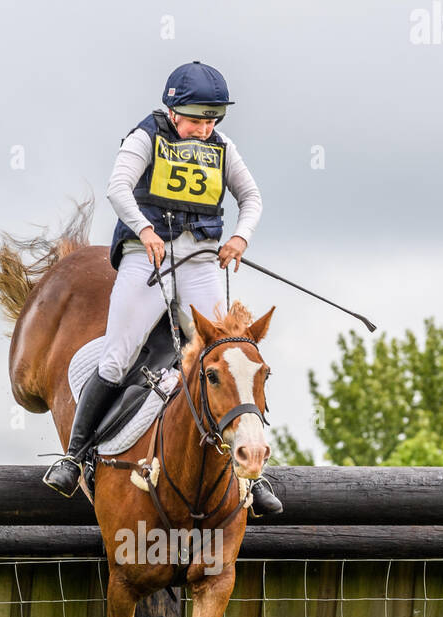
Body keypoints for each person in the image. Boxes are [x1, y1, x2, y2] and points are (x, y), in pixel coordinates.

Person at [42, 60, 283, 516]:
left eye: (212, 120)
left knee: (228, 356)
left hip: (199, 260)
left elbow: (251, 198)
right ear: (173, 111)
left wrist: (239, 237)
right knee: (118, 355)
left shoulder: (222, 146)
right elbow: (119, 188)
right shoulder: (145, 137)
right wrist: (144, 230)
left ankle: (253, 476)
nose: (204, 128)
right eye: (196, 119)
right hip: (146, 257)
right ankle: (74, 457)